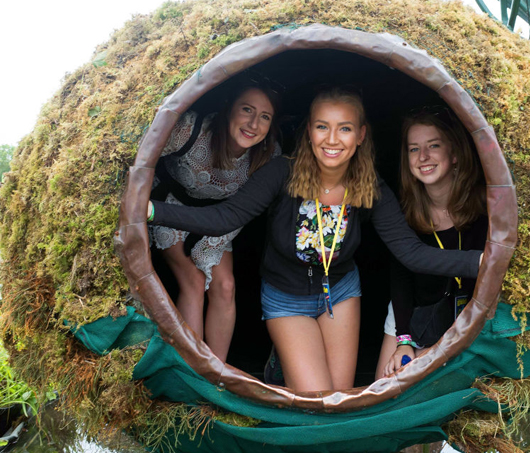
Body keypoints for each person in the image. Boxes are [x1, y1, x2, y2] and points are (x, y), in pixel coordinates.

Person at [148, 87, 483, 392]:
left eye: (345, 128)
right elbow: (224, 218)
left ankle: (288, 366)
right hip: (286, 297)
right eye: (323, 126)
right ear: (309, 131)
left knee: (339, 399)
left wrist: (481, 261)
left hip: (340, 293)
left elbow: (410, 253)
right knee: (318, 400)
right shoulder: (282, 172)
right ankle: (284, 359)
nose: (332, 139)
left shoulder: (370, 187)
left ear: (361, 135)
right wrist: (151, 210)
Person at [148, 84, 280, 362]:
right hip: (170, 206)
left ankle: (217, 373)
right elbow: (141, 154)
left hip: (219, 218)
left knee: (225, 286)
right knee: (194, 281)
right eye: (247, 109)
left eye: (265, 116)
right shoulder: (191, 131)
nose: (254, 124)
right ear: (229, 107)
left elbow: (246, 208)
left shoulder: (269, 155)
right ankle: (194, 369)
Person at [376, 107, 487, 379]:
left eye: (433, 145)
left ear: (455, 154)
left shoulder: (486, 209)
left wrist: (433, 352)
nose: (423, 157)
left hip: (472, 320)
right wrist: (404, 341)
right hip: (415, 317)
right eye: (414, 149)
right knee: (383, 386)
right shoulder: (402, 213)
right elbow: (400, 282)